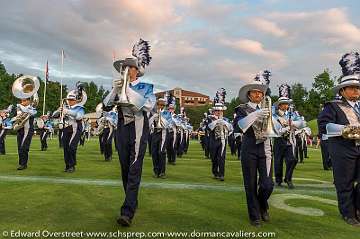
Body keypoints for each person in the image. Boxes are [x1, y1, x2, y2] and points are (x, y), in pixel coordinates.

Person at [103, 39, 155, 227]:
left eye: (129, 67)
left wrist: (127, 90)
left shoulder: (147, 87)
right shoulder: (118, 86)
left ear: (136, 70)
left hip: (139, 129)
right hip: (122, 129)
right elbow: (106, 105)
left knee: (134, 168)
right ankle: (132, 201)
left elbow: (147, 105)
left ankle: (127, 212)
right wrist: (117, 89)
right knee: (125, 168)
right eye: (124, 67)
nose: (125, 69)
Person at [318, 51, 360, 226]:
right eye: (351, 88)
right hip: (343, 148)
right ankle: (348, 213)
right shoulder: (332, 106)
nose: (356, 90)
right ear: (342, 91)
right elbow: (324, 126)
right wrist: (347, 129)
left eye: (358, 88)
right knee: (345, 183)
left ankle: (357, 207)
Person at [234, 71, 274, 227]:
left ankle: (262, 205)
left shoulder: (268, 107)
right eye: (255, 92)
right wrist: (256, 114)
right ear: (249, 94)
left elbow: (273, 126)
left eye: (261, 92)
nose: (258, 94)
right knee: (250, 184)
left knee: (267, 184)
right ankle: (254, 215)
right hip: (249, 147)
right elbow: (239, 126)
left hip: (266, 147)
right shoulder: (241, 109)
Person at [272, 84, 305, 189]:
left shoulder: (293, 113)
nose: (286, 106)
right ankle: (278, 180)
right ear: (279, 105)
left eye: (287, 104)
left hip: (290, 140)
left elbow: (302, 123)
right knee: (278, 161)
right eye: (284, 104)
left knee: (292, 160)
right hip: (278, 139)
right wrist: (284, 126)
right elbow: (275, 127)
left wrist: (292, 124)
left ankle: (288, 178)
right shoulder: (275, 115)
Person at [54, 83, 86, 173]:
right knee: (65, 148)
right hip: (66, 129)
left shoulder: (80, 108)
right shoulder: (65, 107)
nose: (70, 101)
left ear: (76, 100)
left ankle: (72, 165)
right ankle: (67, 165)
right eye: (69, 100)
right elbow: (54, 115)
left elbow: (79, 117)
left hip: (75, 129)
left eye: (72, 100)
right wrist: (59, 111)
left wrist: (67, 111)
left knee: (71, 147)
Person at [208, 88, 233, 181]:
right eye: (217, 111)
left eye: (220, 111)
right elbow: (209, 127)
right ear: (214, 111)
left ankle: (221, 174)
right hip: (213, 140)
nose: (219, 112)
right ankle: (215, 172)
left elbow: (231, 128)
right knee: (214, 158)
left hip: (223, 140)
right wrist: (217, 121)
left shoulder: (225, 119)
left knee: (221, 157)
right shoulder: (210, 119)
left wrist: (224, 123)